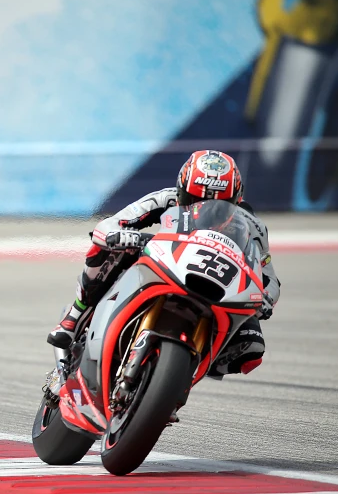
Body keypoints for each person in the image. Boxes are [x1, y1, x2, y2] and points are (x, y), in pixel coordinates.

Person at [47, 150, 280, 379]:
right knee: (113, 250)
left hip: (217, 279)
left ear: (236, 201)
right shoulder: (165, 198)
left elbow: (268, 276)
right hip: (167, 261)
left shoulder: (253, 226)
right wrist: (118, 236)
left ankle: (183, 373)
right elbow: (111, 223)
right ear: (181, 190)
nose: (204, 209)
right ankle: (76, 314)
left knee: (251, 347)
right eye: (195, 199)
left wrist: (266, 297)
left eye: (219, 205)